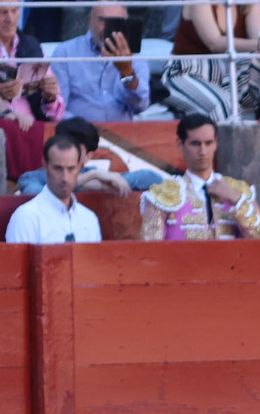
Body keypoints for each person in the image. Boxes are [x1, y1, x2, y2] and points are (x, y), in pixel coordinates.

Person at [140, 113, 260, 240]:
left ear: (216, 144)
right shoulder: (161, 195)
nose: (203, 151)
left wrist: (236, 198)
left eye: (208, 143)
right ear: (180, 144)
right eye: (195, 144)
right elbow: (150, 249)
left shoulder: (238, 191)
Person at [162, 1, 260, 120]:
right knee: (224, 103)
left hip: (228, 71)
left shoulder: (248, 3)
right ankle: (234, 142)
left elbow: (258, 35)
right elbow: (214, 42)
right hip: (186, 71)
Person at [49, 5, 150, 123]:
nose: (107, 28)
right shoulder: (65, 52)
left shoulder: (134, 56)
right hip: (77, 134)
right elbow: (56, 108)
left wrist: (126, 72)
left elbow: (141, 105)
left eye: (115, 22)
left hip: (122, 132)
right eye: (102, 20)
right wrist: (86, 129)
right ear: (89, 21)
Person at [14, 115, 163, 196]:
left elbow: (151, 178)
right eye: (64, 145)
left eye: (75, 148)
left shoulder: (98, 176)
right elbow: (36, 194)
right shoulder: (32, 177)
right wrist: (92, 177)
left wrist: (92, 180)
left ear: (87, 156)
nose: (67, 151)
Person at [1, 0, 66, 181]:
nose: (10, 19)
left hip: (34, 133)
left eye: (14, 11)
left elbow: (57, 112)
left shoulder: (31, 45)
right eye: (2, 13)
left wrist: (50, 96)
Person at [6, 133, 102, 244]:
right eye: (58, 168)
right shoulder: (26, 217)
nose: (65, 178)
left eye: (71, 169)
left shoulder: (89, 219)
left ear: (80, 168)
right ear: (45, 166)